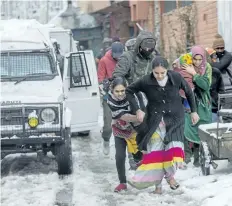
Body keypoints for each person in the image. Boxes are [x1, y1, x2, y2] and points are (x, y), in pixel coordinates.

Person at [125, 56, 199, 194]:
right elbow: (129, 91)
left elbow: (188, 92)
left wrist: (194, 112)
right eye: (156, 73)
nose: (159, 76)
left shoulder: (176, 77)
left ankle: (170, 177)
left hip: (176, 119)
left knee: (173, 151)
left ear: (167, 70)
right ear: (152, 71)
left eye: (162, 73)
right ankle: (158, 187)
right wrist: (137, 109)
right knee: (157, 153)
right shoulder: (146, 81)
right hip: (155, 120)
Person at [107, 77, 143, 192]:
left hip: (135, 130)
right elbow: (123, 116)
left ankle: (143, 178)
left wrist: (142, 115)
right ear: (112, 90)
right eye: (117, 91)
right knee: (120, 156)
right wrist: (139, 117)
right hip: (120, 129)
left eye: (122, 91)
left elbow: (141, 108)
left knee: (139, 156)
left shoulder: (133, 95)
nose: (120, 94)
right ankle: (122, 182)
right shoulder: (110, 100)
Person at [178, 46, 212, 167]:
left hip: (202, 103)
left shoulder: (207, 68)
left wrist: (194, 74)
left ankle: (198, 158)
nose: (197, 62)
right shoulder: (186, 65)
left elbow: (206, 86)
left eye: (199, 59)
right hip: (189, 103)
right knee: (188, 128)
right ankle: (187, 156)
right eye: (195, 59)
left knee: (201, 130)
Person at [97, 42, 124, 155]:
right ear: (112, 52)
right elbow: (100, 78)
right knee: (108, 123)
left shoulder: (125, 59)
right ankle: (106, 139)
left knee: (125, 122)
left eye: (120, 54)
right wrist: (105, 84)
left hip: (123, 94)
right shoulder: (104, 60)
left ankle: (128, 147)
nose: (117, 57)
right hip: (108, 96)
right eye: (116, 54)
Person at [205, 48, 225, 122]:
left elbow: (221, 89)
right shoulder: (198, 72)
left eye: (215, 56)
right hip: (204, 109)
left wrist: (221, 103)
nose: (215, 58)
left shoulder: (216, 72)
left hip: (214, 108)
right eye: (213, 56)